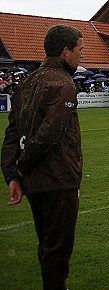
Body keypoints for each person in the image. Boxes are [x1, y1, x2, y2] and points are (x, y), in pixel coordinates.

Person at [2, 24, 84, 290]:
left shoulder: (27, 82)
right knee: (58, 248)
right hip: (57, 178)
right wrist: (21, 169)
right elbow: (49, 135)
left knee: (47, 243)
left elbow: (12, 134)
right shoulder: (62, 84)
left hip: (35, 181)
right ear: (65, 50)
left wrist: (13, 174)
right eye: (79, 50)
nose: (81, 55)